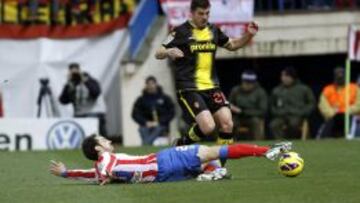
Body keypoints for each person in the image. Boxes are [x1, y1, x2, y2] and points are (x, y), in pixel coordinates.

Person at [155, 0, 259, 146]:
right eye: (200, 13)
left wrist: (249, 35)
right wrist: (168, 51)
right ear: (191, 13)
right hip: (189, 87)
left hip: (212, 87)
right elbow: (158, 52)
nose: (204, 17)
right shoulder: (179, 31)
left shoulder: (214, 30)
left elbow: (233, 45)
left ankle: (221, 168)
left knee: (227, 124)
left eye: (207, 13)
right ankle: (182, 143)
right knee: (208, 127)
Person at [49, 134, 292, 185]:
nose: (107, 140)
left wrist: (66, 173)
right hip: (163, 163)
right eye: (102, 139)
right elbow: (107, 169)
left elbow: (94, 173)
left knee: (205, 157)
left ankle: (210, 172)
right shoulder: (106, 160)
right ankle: (265, 151)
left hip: (163, 175)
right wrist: (108, 175)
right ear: (98, 147)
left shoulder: (101, 166)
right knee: (212, 151)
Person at [59, 63, 107, 136]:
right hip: (79, 114)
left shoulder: (91, 81)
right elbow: (63, 101)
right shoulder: (71, 84)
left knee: (95, 136)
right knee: (81, 136)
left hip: (94, 111)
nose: (75, 76)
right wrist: (68, 85)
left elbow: (96, 92)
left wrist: (84, 80)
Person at [270, 67, 315, 139]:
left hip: (297, 115)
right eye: (282, 76)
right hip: (282, 115)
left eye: (286, 76)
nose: (283, 78)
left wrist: (303, 112)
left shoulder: (303, 89)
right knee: (274, 125)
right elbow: (272, 105)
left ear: (292, 77)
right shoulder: (277, 90)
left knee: (294, 124)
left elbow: (311, 103)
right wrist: (277, 112)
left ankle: (293, 141)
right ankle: (281, 143)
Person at [132, 76, 175, 145]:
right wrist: (146, 122)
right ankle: (147, 145)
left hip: (161, 125)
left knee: (157, 129)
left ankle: (145, 145)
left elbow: (171, 112)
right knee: (142, 130)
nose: (150, 86)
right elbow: (135, 114)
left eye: (152, 83)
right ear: (146, 85)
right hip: (146, 125)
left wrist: (159, 122)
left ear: (156, 84)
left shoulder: (165, 98)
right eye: (148, 84)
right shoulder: (141, 100)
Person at [317, 67, 360, 138]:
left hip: (350, 116)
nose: (340, 77)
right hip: (334, 117)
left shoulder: (354, 88)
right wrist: (332, 112)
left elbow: (359, 104)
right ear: (334, 77)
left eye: (342, 75)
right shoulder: (328, 89)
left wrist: (347, 110)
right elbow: (323, 106)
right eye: (338, 76)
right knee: (328, 125)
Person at [229, 70, 267, 140]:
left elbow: (263, 111)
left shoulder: (260, 92)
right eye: (245, 82)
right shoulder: (236, 90)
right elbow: (229, 104)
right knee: (229, 122)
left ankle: (258, 144)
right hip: (237, 117)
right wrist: (231, 108)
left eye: (250, 83)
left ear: (254, 83)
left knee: (256, 122)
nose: (247, 85)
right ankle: (229, 144)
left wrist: (243, 112)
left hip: (252, 117)